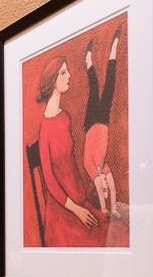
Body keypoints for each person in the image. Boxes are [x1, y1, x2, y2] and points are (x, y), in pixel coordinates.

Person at [33, 56, 111, 247]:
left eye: (67, 71)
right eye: (63, 72)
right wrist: (77, 209)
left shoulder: (65, 118)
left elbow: (72, 167)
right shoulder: (45, 129)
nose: (69, 76)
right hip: (62, 212)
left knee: (114, 232)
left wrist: (88, 196)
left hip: (80, 199)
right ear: (52, 82)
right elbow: (50, 180)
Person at [83, 24, 123, 218]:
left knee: (94, 86)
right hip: (104, 121)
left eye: (103, 191)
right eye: (107, 190)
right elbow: (112, 189)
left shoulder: (92, 170)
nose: (107, 188)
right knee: (110, 85)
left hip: (91, 122)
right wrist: (113, 207)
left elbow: (101, 188)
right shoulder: (105, 168)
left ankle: (88, 60)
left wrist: (105, 207)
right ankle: (114, 46)